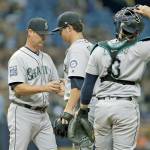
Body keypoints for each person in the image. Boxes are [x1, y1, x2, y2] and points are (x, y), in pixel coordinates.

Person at [75, 6, 150, 150]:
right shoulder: (141, 48)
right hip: (126, 107)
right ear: (138, 30)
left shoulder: (99, 49)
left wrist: (83, 110)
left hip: (101, 108)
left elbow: (88, 86)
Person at [7, 17, 63, 150]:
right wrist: (45, 88)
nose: (44, 38)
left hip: (43, 114)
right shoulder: (18, 57)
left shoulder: (47, 58)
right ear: (30, 32)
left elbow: (58, 85)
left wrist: (72, 100)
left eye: (45, 35)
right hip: (22, 113)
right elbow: (18, 88)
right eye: (40, 34)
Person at [52, 11, 98, 149]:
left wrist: (67, 114)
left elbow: (78, 86)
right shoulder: (88, 46)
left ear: (69, 28)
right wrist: (66, 89)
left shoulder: (77, 49)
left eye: (60, 31)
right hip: (93, 102)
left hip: (88, 107)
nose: (60, 34)